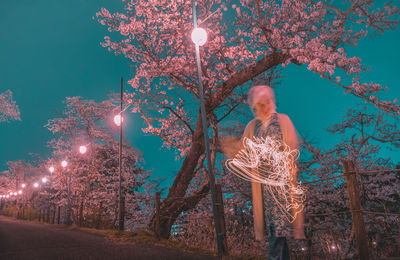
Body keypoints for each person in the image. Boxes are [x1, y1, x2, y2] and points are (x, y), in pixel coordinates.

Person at [222, 85, 305, 260]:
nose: (260, 109)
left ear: (270, 102)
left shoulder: (283, 120)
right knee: (276, 229)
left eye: (263, 104)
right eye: (256, 106)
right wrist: (230, 146)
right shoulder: (252, 126)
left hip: (282, 185)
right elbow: (244, 149)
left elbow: (292, 146)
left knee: (279, 228)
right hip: (264, 188)